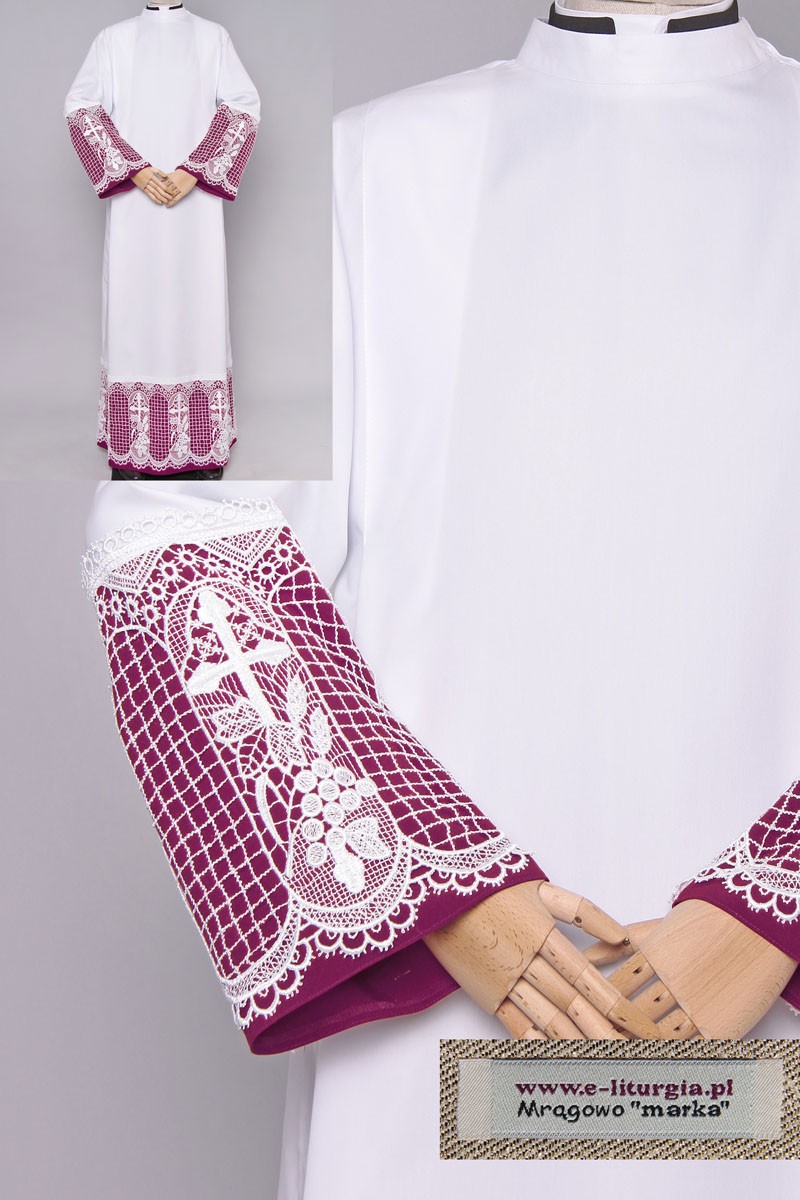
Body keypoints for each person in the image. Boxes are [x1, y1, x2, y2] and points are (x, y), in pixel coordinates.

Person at [65, 3, 259, 480]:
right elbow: (81, 106)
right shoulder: (114, 39)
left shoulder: (213, 38)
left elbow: (243, 105)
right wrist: (135, 170)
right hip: (137, 204)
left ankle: (200, 444)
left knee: (198, 307)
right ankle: (134, 445)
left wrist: (195, 171)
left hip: (195, 209)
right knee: (134, 311)